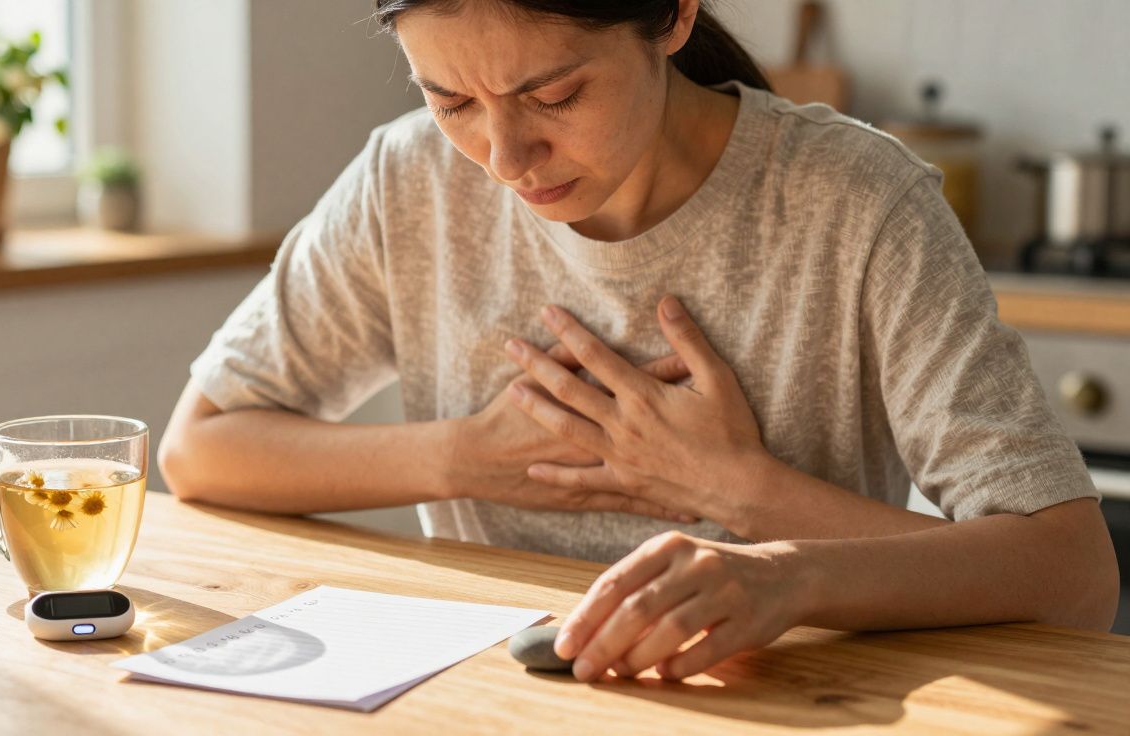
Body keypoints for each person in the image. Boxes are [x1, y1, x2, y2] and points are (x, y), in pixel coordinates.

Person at [158, 0, 1119, 683]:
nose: (504, 158)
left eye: (555, 95)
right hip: (489, 703)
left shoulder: (860, 203)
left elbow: (1072, 574)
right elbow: (200, 450)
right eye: (451, 102)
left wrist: (753, 516)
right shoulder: (406, 181)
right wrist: (466, 458)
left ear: (672, 16)